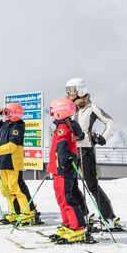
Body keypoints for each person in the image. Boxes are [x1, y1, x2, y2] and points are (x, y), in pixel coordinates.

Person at [66, 77, 120, 230]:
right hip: (71, 149)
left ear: (81, 90)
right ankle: (83, 214)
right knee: (72, 185)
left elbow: (110, 121)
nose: (69, 93)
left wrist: (103, 137)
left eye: (72, 90)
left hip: (86, 150)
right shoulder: (69, 108)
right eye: (68, 90)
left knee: (91, 185)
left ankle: (108, 217)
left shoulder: (91, 107)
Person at [0, 103, 41, 225]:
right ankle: (15, 212)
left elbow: (12, 146)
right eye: (4, 112)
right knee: (5, 189)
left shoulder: (16, 128)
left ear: (14, 115)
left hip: (13, 162)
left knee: (17, 188)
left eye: (6, 113)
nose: (4, 115)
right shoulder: (5, 126)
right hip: (3, 162)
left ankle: (28, 213)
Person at [46, 98, 92, 244]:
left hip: (63, 168)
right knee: (61, 198)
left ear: (60, 112)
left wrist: (64, 162)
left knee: (66, 198)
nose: (51, 114)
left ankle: (77, 228)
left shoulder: (63, 128)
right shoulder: (65, 126)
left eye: (53, 111)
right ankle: (68, 224)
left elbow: (62, 147)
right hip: (59, 168)